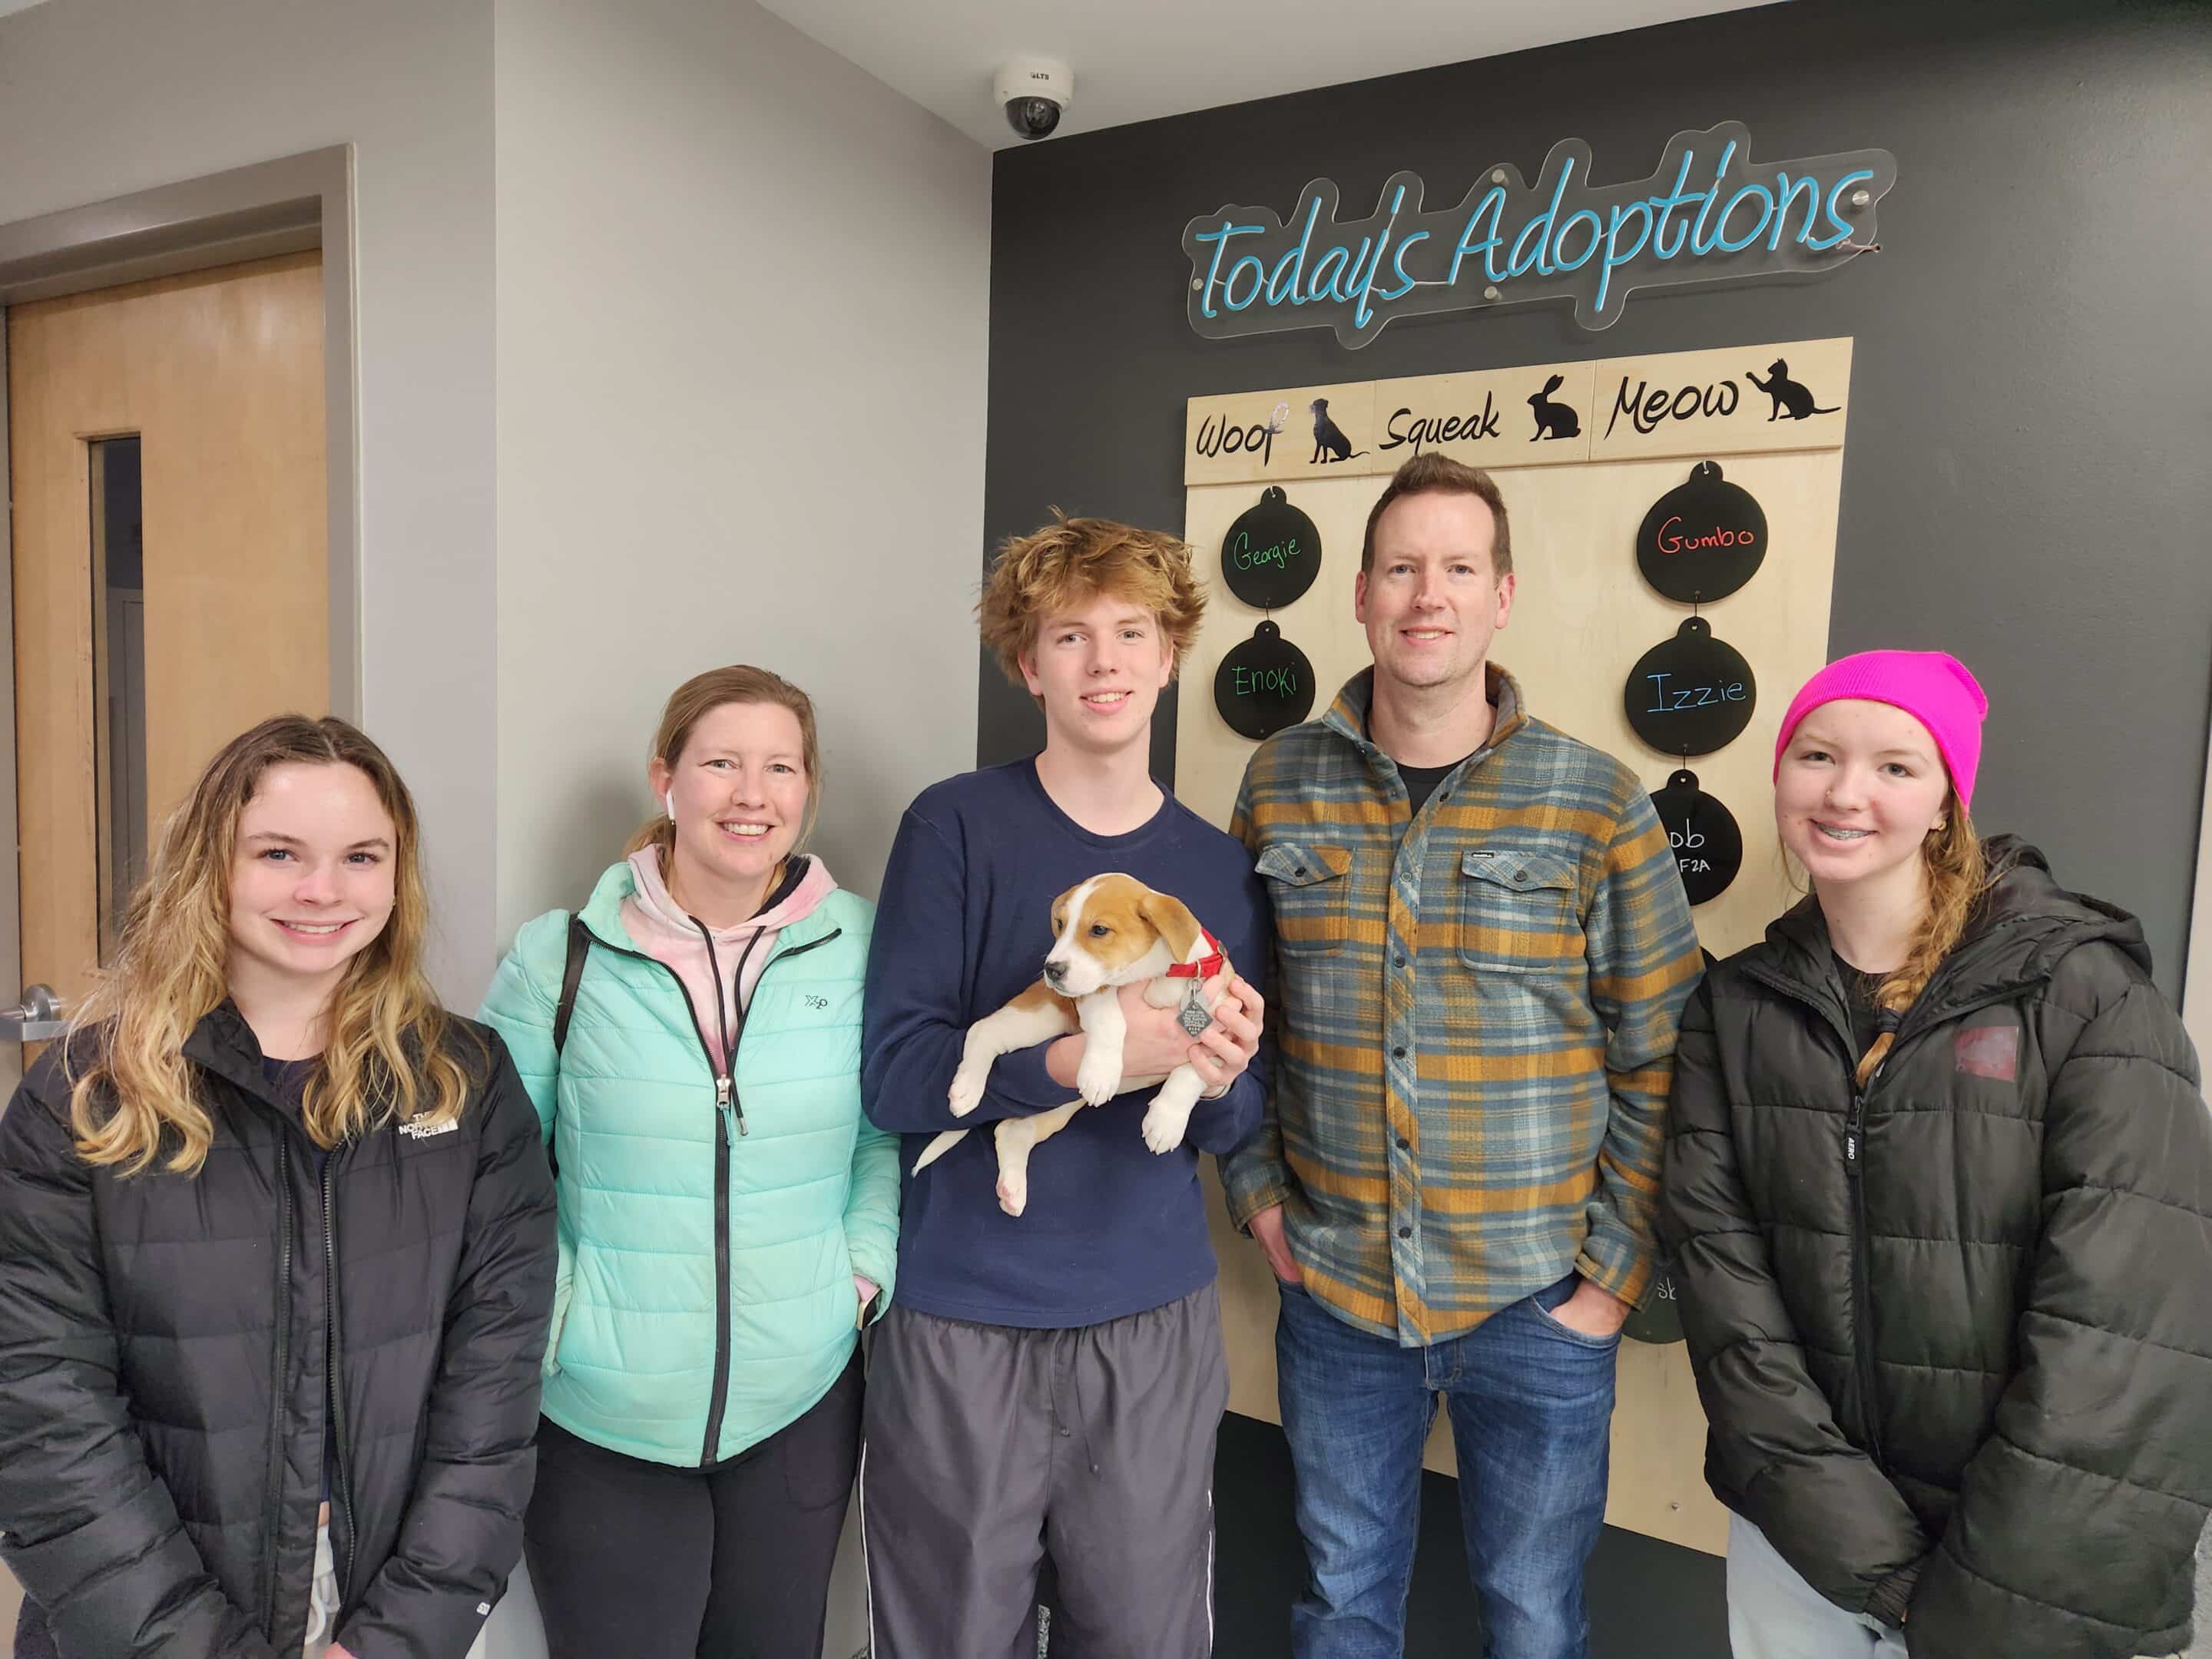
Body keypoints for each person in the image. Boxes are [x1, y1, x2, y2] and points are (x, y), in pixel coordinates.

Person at [1224, 452, 1704, 1659]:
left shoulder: (1596, 801)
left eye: (1455, 568)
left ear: (1501, 596)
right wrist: (1258, 1197)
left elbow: (1663, 1055)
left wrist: (1609, 1283)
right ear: (1361, 596)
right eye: (1400, 568)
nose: (1425, 595)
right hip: (1335, 1292)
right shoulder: (1279, 782)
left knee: (1535, 1621)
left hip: (1538, 1300)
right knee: (1341, 1607)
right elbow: (1226, 1011)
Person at [1661, 649, 2212, 1658]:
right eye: (1817, 755)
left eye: (1895, 767)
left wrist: (1979, 1603)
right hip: (1803, 1551)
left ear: (1947, 800)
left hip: (2034, 1582)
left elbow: (2124, 1335)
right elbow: (1731, 1316)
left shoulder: (2083, 995)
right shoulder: (1730, 1012)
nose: (1845, 792)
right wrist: (1878, 1570)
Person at [0, 715, 555, 1658]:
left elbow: (491, 1400)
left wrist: (401, 1635)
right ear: (210, 868)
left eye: (361, 857)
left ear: (396, 876)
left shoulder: (466, 1086)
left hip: (382, 1607)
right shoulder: (83, 1101)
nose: (322, 891)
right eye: (279, 853)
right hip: (138, 1625)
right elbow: (44, 1415)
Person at [859, 513, 1267, 1658]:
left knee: (1143, 1637)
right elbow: (895, 1077)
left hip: (1147, 1319)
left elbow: (1235, 1117)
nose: (1105, 661)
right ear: (1028, 665)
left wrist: (1217, 1070)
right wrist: (1078, 1061)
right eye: (1071, 636)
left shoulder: (1216, 872)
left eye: (1131, 632)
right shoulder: (953, 827)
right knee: (950, 1636)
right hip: (963, 1314)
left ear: (1171, 655)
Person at [479, 664, 894, 1659]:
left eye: (779, 768)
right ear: (666, 779)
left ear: (807, 791)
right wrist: (562, 1310)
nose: (752, 794)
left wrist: (857, 1276)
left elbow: (887, 1135)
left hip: (799, 1405)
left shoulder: (865, 947)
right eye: (721, 763)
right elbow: (491, 1170)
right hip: (598, 1417)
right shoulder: (559, 958)